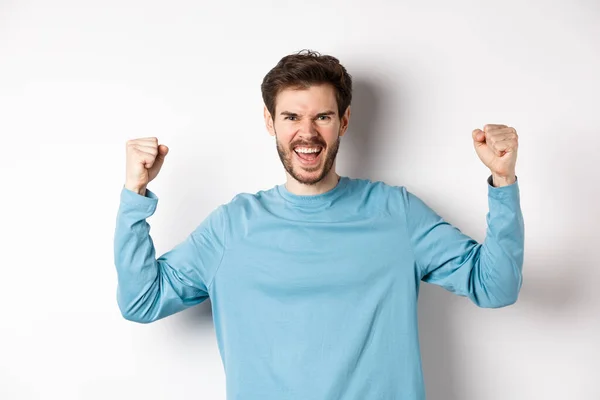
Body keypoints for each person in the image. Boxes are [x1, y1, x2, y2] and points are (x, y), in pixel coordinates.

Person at [114, 49, 524, 399]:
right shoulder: (231, 227)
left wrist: (503, 181)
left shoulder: (395, 213)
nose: (306, 133)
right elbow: (141, 301)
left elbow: (495, 287)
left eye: (322, 117)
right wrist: (135, 192)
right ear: (270, 121)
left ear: (343, 122)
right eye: (291, 116)